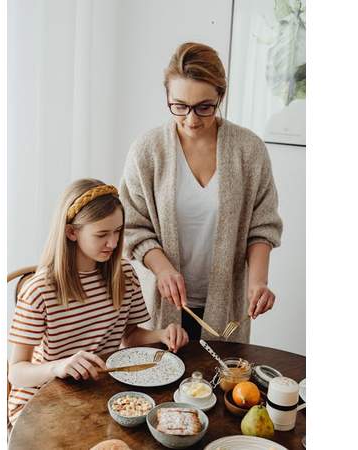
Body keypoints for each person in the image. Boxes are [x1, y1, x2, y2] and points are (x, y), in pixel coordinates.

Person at [119, 42, 283, 343]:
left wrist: (258, 282)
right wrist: (163, 269)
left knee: (226, 373)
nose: (191, 119)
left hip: (226, 307)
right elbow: (132, 225)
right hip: (163, 305)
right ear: (167, 97)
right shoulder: (147, 151)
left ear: (221, 96)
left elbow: (263, 225)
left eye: (204, 107)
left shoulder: (248, 150)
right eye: (179, 106)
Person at [7, 179, 189, 428]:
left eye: (118, 231)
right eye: (102, 234)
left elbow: (130, 336)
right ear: (71, 232)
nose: (113, 243)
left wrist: (162, 334)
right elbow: (16, 372)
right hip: (40, 398)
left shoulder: (125, 274)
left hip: (95, 390)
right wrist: (58, 367)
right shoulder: (39, 290)